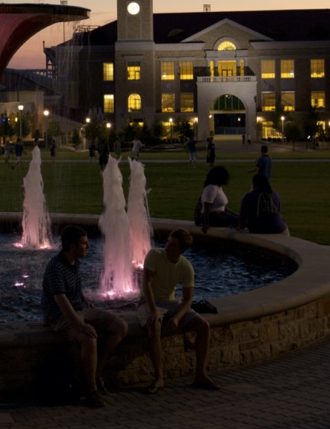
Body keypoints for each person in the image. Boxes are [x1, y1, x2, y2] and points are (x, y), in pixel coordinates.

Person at [42, 226, 128, 407]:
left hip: (80, 309)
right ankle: (91, 391)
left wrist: (84, 300)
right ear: (72, 247)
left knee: (120, 326)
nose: (88, 246)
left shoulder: (74, 262)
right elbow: (61, 300)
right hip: (59, 317)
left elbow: (74, 290)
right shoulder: (55, 267)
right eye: (84, 243)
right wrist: (81, 326)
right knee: (89, 339)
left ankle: (97, 371)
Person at [138, 228, 219, 393]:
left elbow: (188, 299)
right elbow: (146, 285)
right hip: (148, 302)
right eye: (168, 242)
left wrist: (176, 318)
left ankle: (200, 375)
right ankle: (159, 378)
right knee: (154, 326)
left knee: (203, 326)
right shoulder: (154, 255)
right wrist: (153, 311)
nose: (168, 247)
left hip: (171, 303)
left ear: (182, 250)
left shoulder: (186, 267)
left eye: (173, 245)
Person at [196, 165, 238, 233]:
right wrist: (206, 224)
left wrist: (235, 214)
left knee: (240, 220)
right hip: (212, 216)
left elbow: (222, 207)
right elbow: (207, 207)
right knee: (238, 222)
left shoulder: (218, 187)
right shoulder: (211, 188)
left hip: (219, 213)